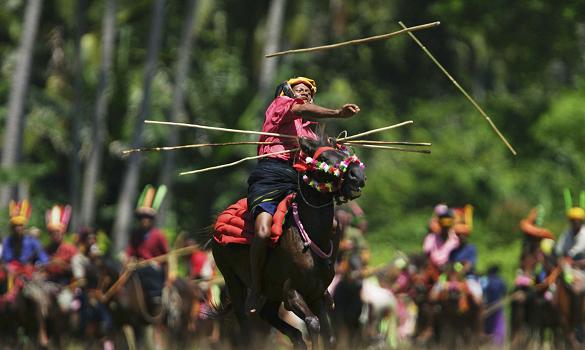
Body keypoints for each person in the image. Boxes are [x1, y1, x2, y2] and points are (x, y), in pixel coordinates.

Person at [246, 77, 360, 314]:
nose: (304, 94)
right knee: (263, 230)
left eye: (308, 92)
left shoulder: (308, 130)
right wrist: (338, 113)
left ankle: (322, 281)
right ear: (288, 92)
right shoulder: (281, 104)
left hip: (297, 180)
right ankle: (255, 288)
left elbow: (322, 156)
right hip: (269, 175)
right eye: (299, 90)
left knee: (334, 225)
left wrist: (335, 150)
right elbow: (299, 107)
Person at [125, 185, 169, 310]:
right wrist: (128, 260)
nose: (144, 220)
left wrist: (167, 277)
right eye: (142, 217)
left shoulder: (158, 236)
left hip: (154, 265)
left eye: (147, 218)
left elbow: (166, 257)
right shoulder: (135, 234)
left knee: (150, 269)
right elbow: (130, 251)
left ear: (151, 220)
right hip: (137, 265)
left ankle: (155, 296)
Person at [2, 199, 49, 267]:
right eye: (15, 226)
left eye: (20, 225)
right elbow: (5, 260)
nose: (18, 228)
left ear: (24, 227)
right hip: (10, 272)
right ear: (11, 228)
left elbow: (44, 260)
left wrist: (38, 266)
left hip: (28, 273)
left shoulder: (33, 241)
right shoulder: (7, 241)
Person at [44, 204, 78, 284]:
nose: (55, 236)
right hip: (48, 281)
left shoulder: (71, 249)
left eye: (58, 233)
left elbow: (77, 270)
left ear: (63, 234)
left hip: (66, 282)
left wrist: (62, 265)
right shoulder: (45, 249)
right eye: (52, 233)